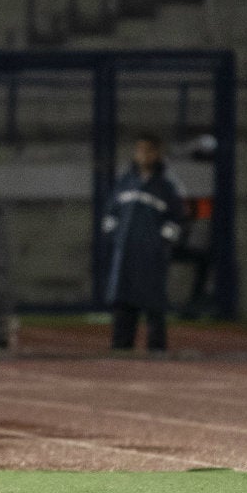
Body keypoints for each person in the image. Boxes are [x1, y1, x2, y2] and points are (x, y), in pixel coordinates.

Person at [102, 132, 185, 355]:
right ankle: (121, 347)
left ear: (157, 153)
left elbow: (177, 218)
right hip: (126, 253)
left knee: (153, 303)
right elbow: (111, 213)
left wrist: (162, 242)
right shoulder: (125, 181)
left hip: (152, 255)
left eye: (148, 150)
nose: (143, 155)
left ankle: (157, 349)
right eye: (139, 150)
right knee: (123, 302)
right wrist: (115, 237)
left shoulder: (166, 185)